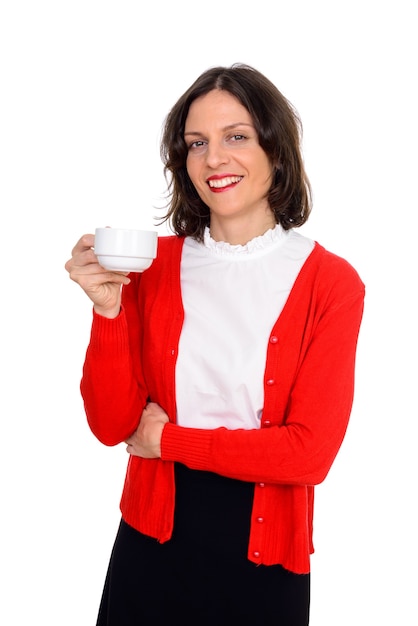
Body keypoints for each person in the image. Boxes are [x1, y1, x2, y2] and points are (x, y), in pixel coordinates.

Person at [65, 63, 365, 626]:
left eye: (237, 137)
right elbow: (112, 425)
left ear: (276, 150)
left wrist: (168, 440)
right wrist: (108, 309)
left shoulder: (331, 282)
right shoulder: (150, 269)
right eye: (196, 144)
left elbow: (308, 453)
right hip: (149, 544)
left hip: (263, 561)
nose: (214, 159)